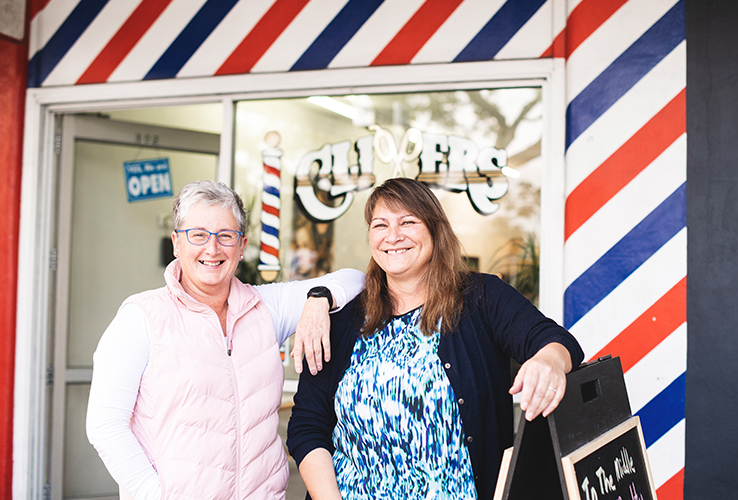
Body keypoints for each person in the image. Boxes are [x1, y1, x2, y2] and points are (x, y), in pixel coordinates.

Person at [286, 178, 584, 500]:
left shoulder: (481, 297)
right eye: (380, 224)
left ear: (434, 230)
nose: (393, 236)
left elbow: (555, 340)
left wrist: (549, 360)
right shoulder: (344, 319)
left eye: (408, 222)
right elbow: (307, 425)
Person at [85, 180, 365, 500]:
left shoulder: (265, 309)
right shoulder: (141, 318)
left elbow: (356, 279)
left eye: (226, 236)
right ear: (177, 243)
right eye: (198, 235)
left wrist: (318, 300)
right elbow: (105, 425)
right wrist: (154, 494)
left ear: (242, 245)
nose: (212, 249)